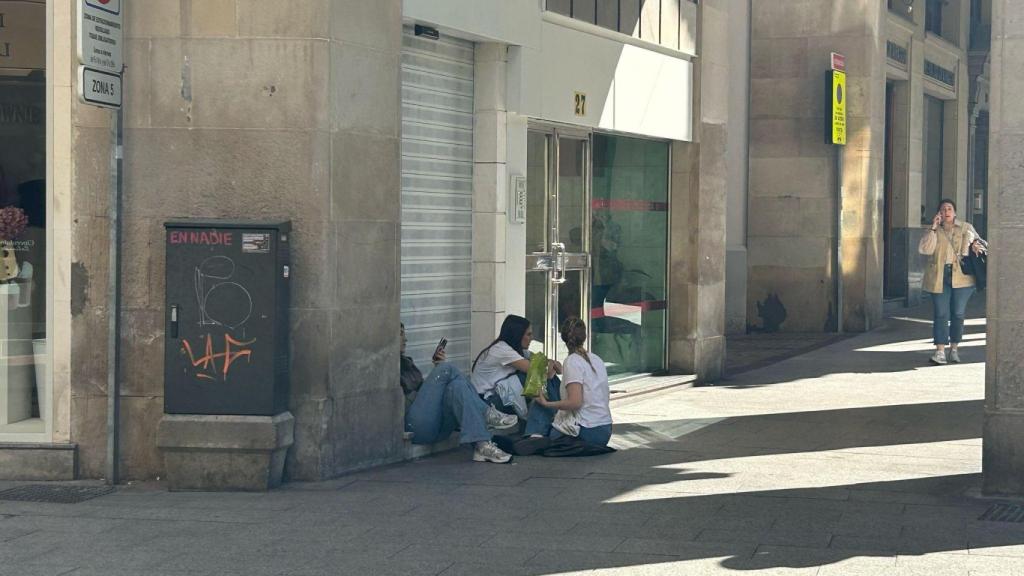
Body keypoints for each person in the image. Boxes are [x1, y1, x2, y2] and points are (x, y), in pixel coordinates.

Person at [400, 324, 517, 463]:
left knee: (457, 386)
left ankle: (482, 446)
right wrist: (439, 374)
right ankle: (485, 412)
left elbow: (423, 395)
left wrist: (437, 372)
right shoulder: (387, 367)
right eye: (400, 334)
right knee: (446, 368)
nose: (405, 339)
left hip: (437, 428)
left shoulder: (407, 363)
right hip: (414, 428)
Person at [524, 318, 613, 447]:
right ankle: (536, 434)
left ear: (563, 337)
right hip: (604, 429)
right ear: (585, 336)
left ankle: (534, 435)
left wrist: (546, 403)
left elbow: (575, 402)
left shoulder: (572, 361)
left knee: (542, 408)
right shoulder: (596, 359)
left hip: (587, 431)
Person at [918, 199, 986, 365]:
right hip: (939, 276)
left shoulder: (966, 227)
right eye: (942, 209)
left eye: (949, 209)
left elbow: (981, 245)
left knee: (958, 314)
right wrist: (933, 228)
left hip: (962, 278)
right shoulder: (935, 231)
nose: (946, 211)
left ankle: (954, 349)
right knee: (940, 314)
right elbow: (924, 250)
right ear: (938, 214)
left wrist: (977, 246)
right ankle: (940, 351)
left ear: (954, 213)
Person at [470, 315, 560, 417]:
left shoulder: (513, 349)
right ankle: (558, 413)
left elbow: (545, 362)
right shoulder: (502, 350)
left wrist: (551, 366)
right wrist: (550, 370)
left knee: (538, 377)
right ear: (517, 335)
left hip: (495, 397)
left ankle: (557, 411)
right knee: (530, 377)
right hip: (486, 402)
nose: (532, 338)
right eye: (528, 334)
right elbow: (539, 371)